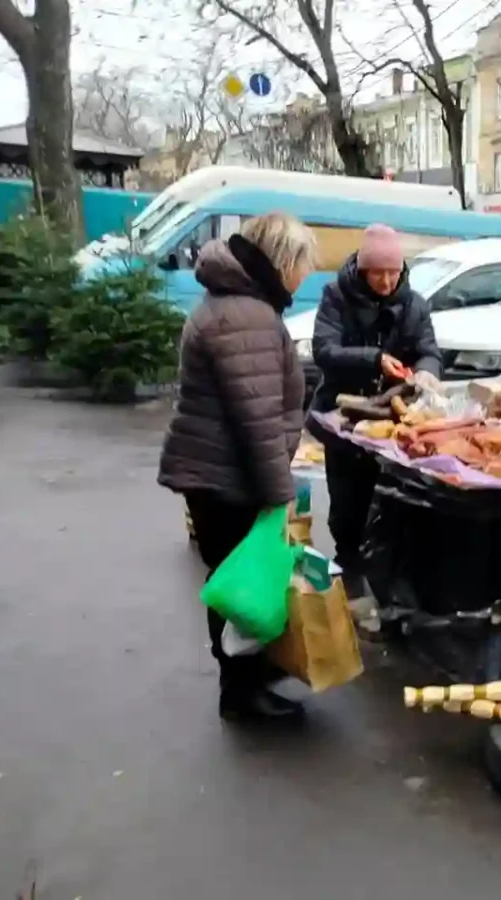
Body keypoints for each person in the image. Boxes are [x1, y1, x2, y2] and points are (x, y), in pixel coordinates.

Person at [158, 212, 315, 723]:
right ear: (281, 262)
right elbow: (259, 420)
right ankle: (241, 694)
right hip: (227, 477)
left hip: (220, 471)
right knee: (240, 586)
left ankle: (250, 675)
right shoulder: (244, 315)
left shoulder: (238, 304)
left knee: (240, 578)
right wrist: (280, 491)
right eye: (301, 267)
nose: (303, 279)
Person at [308, 224, 442, 595]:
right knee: (347, 501)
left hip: (392, 421)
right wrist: (374, 360)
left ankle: (387, 579)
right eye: (377, 273)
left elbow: (429, 351)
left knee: (389, 501)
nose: (385, 281)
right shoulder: (336, 296)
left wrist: (426, 374)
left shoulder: (414, 304)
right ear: (362, 270)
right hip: (344, 418)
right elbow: (325, 351)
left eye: (393, 272)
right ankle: (348, 570)